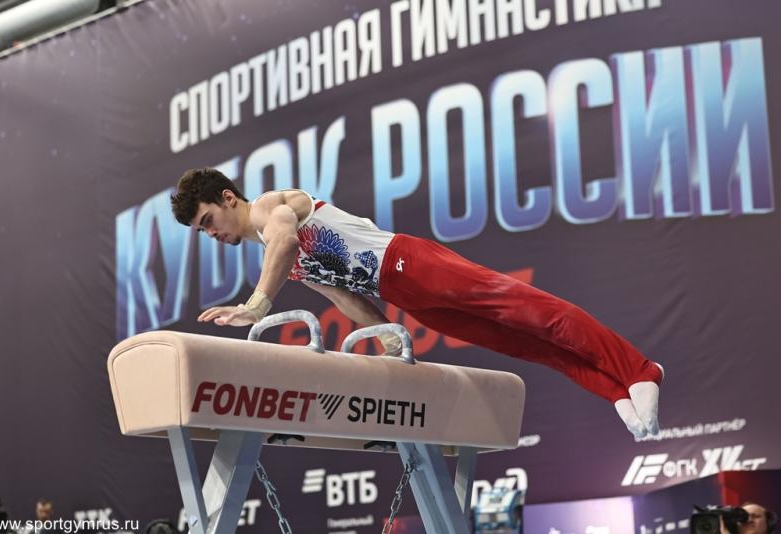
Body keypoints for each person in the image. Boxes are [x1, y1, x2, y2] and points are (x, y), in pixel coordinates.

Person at [170, 168, 664, 438]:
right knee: (520, 343)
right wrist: (393, 346)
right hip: (404, 296)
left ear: (229, 198)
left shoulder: (271, 208)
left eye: (207, 221)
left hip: (410, 263)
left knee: (533, 312)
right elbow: (344, 297)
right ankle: (613, 389)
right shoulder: (282, 258)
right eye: (201, 232)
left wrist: (257, 306)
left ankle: (640, 370)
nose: (210, 234)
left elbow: (285, 240)